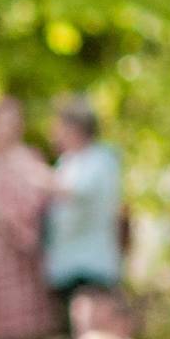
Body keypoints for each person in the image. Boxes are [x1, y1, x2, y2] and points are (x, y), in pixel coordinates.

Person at [44, 95, 125, 301]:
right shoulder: (68, 161)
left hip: (91, 266)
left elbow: (76, 191)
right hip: (66, 265)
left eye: (59, 126)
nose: (54, 133)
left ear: (75, 128)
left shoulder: (100, 160)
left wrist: (31, 173)